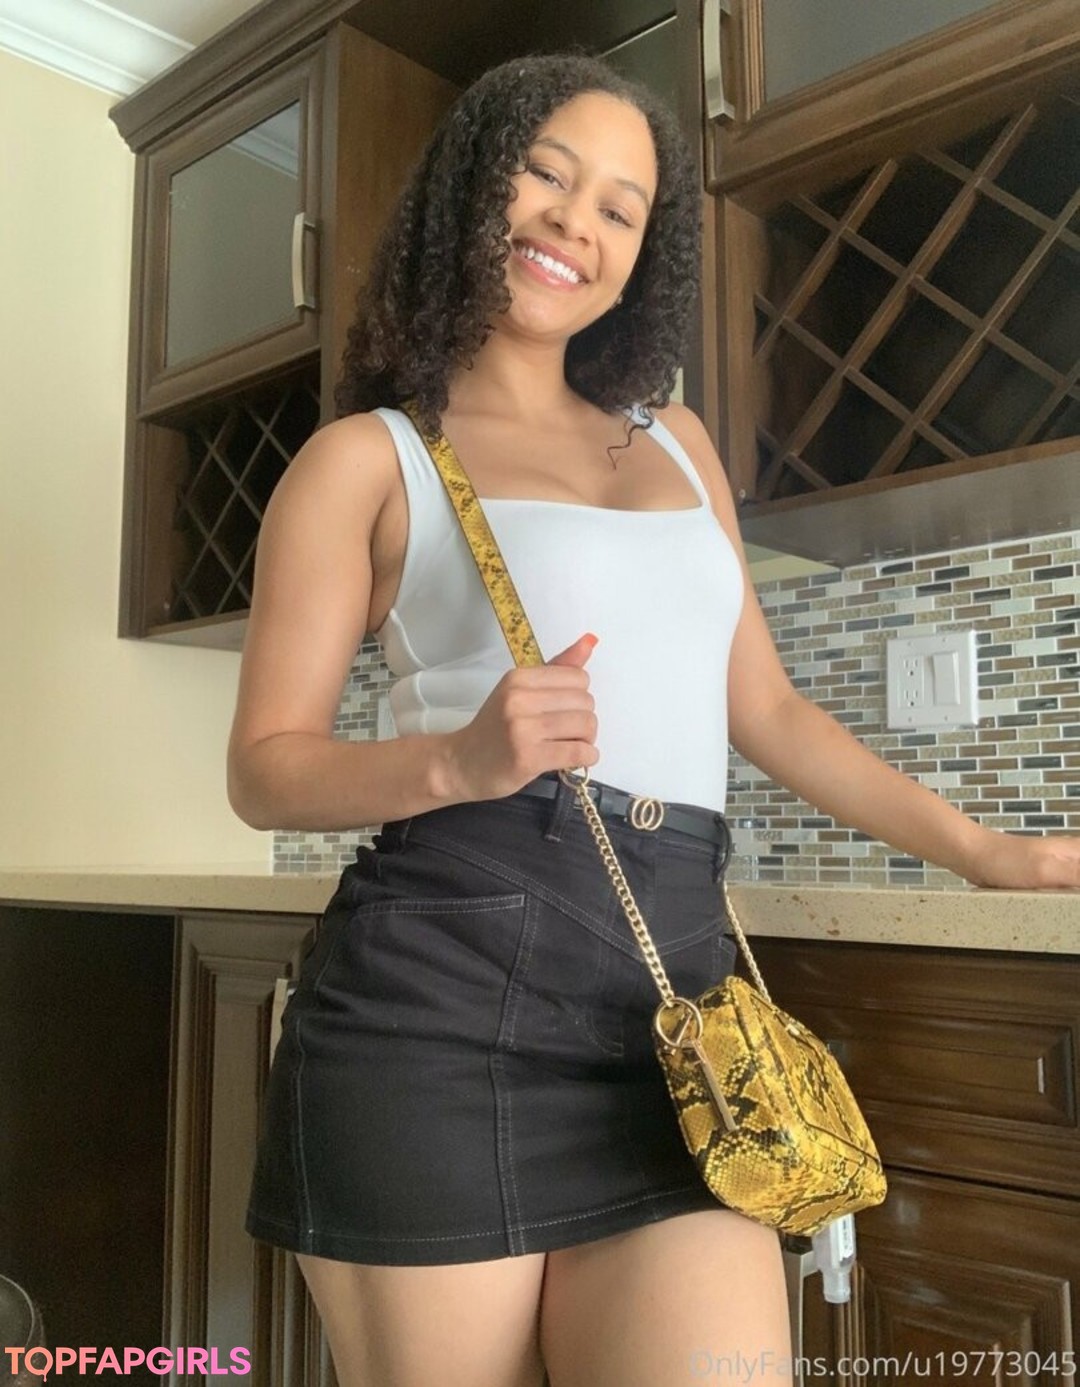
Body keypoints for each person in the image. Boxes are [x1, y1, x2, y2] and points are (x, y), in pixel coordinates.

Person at [227, 51, 1080, 1387]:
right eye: (547, 175)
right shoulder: (367, 459)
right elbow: (265, 771)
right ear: (474, 187)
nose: (577, 223)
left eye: (620, 209)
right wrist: (458, 758)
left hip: (676, 1003)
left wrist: (987, 851)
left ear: (640, 259)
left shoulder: (678, 441)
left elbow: (770, 711)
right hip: (438, 1006)